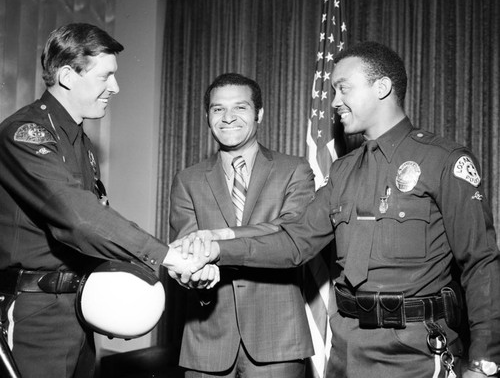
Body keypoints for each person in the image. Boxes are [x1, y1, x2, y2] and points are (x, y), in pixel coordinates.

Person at [177, 42, 500, 378]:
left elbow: (481, 262)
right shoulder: (343, 171)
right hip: (346, 351)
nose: (334, 101)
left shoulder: (442, 160)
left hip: (414, 353)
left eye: (343, 88)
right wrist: (216, 247)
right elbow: (293, 243)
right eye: (333, 90)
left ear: (382, 87)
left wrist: (484, 361)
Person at [0, 22, 208, 378]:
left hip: (79, 313)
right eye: (105, 76)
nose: (115, 87)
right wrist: (168, 256)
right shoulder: (26, 134)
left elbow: (99, 217)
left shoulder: (81, 143)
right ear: (67, 75)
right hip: (34, 318)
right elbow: (77, 217)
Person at [168, 73, 316, 378]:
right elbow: (187, 249)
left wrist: (223, 237)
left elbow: (291, 232)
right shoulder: (188, 180)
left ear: (259, 114)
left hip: (277, 340)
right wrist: (193, 274)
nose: (228, 118)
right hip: (207, 338)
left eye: (241, 108)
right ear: (207, 117)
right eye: (218, 109)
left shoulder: (294, 170)